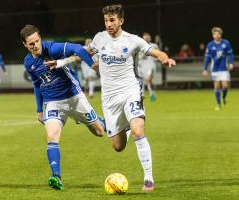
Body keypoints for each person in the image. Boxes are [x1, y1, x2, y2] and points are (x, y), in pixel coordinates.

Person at [86, 4, 176, 192]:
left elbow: (155, 51)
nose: (108, 24)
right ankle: (125, 128)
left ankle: (148, 179)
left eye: (112, 20)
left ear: (121, 21)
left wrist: (164, 58)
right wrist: (66, 59)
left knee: (138, 129)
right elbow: (86, 53)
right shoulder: (99, 38)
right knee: (117, 147)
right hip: (110, 99)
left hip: (130, 91)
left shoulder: (133, 40)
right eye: (105, 20)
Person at [20, 24, 106, 190]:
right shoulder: (28, 61)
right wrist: (39, 109)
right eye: (31, 44)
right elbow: (37, 85)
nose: (35, 45)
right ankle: (56, 177)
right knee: (52, 136)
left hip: (74, 98)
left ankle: (101, 120)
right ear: (25, 45)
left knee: (99, 132)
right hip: (53, 103)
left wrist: (91, 64)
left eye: (37, 41)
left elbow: (79, 49)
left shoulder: (53, 48)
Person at [202, 27, 234, 110]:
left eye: (218, 34)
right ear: (213, 35)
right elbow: (207, 58)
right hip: (215, 68)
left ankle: (223, 98)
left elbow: (230, 54)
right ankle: (218, 104)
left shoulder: (226, 43)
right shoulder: (210, 45)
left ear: (221, 34)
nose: (217, 35)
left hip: (224, 68)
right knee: (217, 86)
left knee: (225, 86)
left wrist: (231, 63)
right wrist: (205, 69)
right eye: (215, 34)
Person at [135, 32, 159, 102]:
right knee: (141, 81)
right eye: (145, 38)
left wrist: (157, 58)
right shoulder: (139, 46)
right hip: (141, 66)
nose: (146, 39)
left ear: (150, 39)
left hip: (151, 65)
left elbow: (158, 55)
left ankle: (152, 93)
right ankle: (142, 95)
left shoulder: (154, 46)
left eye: (148, 38)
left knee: (148, 80)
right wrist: (141, 57)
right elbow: (136, 56)